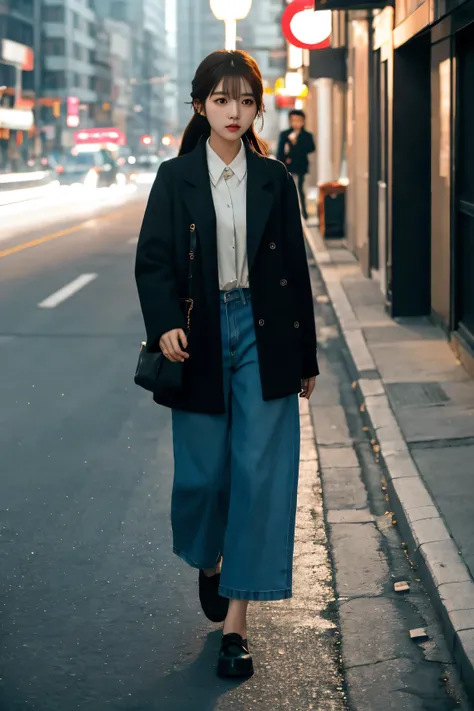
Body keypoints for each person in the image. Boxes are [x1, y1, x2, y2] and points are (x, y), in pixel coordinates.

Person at [135, 50, 319, 680]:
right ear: (200, 106)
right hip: (201, 336)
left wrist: (308, 357)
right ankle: (210, 564)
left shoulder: (275, 179)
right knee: (204, 478)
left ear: (256, 106)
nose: (233, 112)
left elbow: (296, 272)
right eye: (221, 100)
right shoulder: (174, 176)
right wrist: (165, 323)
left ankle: (236, 625)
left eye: (245, 100)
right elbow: (154, 260)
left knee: (259, 476)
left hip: (266, 338)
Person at [277, 109, 315, 220]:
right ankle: (287, 212)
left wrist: (296, 144)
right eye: (294, 120)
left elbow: (311, 148)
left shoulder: (307, 135)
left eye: (299, 120)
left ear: (303, 121)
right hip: (288, 166)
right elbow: (280, 151)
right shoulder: (285, 134)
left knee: (301, 189)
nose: (296, 123)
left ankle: (304, 212)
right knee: (288, 190)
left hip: (301, 165)